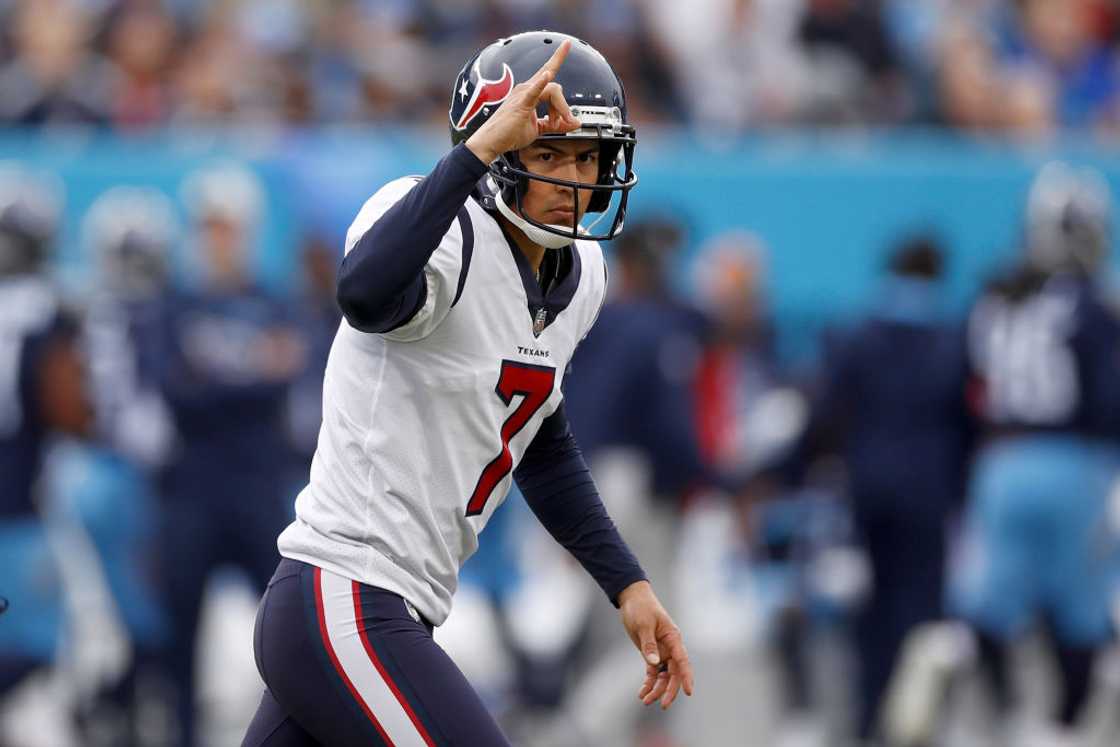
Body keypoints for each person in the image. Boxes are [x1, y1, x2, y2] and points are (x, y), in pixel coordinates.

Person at [242, 31, 693, 747]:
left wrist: (627, 585)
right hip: (346, 593)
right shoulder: (442, 227)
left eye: (586, 155)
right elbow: (363, 294)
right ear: (498, 148)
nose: (573, 178)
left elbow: (539, 444)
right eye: (547, 153)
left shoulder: (581, 276)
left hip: (386, 606)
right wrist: (474, 155)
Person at [954, 162, 1120, 746]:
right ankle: (1060, 726)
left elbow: (967, 386)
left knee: (986, 606)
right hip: (1076, 464)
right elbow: (1107, 397)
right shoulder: (1093, 306)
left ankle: (1006, 715)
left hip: (1001, 464)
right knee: (1080, 609)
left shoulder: (995, 299)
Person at [158, 163, 305, 746]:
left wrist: (219, 376)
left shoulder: (273, 302)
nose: (218, 238)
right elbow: (177, 394)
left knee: (286, 630)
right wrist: (252, 371)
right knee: (178, 635)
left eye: (227, 226)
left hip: (254, 486)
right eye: (210, 226)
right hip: (192, 490)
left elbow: (285, 379)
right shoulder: (175, 303)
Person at [0, 166, 92, 715]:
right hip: (20, 505)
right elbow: (70, 410)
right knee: (37, 646)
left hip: (22, 495)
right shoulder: (49, 309)